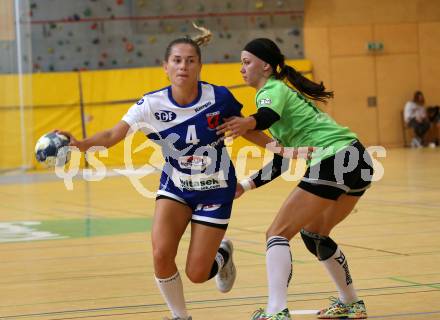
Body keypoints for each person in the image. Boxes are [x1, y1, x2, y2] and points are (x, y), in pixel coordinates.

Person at [57, 29, 287, 320]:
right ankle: (180, 316)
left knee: (196, 273)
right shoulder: (150, 105)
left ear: (200, 67)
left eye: (190, 61)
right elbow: (113, 134)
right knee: (161, 254)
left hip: (215, 189)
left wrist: (284, 150)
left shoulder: (219, 97)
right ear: (165, 67)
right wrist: (80, 144)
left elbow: (248, 129)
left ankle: (222, 255)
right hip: (176, 186)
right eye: (177, 60)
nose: (183, 66)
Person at [217, 38, 373, 320]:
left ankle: (276, 311)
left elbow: (263, 117)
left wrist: (247, 122)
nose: (242, 69)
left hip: (334, 159)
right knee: (314, 233)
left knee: (276, 233)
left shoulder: (270, 91)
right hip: (358, 159)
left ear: (265, 65)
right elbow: (282, 158)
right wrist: (246, 185)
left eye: (246, 62)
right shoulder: (280, 95)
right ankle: (351, 303)